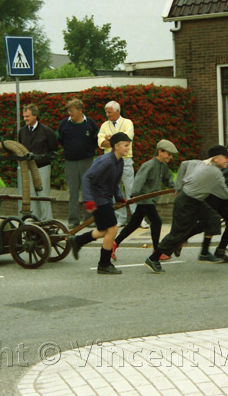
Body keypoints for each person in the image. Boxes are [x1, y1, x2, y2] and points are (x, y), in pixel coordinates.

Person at [143, 145, 228, 274]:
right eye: (225, 157)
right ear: (215, 158)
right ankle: (153, 259)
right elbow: (226, 194)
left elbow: (184, 164)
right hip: (186, 202)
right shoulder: (215, 173)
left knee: (213, 219)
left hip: (195, 200)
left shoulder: (199, 163)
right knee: (176, 234)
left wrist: (179, 187)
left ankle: (204, 253)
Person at [68, 133, 131, 275]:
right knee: (113, 229)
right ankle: (104, 264)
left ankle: (77, 241)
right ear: (116, 146)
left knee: (104, 231)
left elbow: (115, 183)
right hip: (98, 199)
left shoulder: (119, 162)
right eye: (126, 145)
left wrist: (120, 198)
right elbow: (86, 178)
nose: (128, 148)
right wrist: (88, 200)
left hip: (105, 198)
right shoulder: (105, 161)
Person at [112, 139, 178, 262]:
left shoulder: (163, 166)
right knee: (157, 221)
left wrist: (174, 188)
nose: (170, 157)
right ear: (160, 152)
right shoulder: (148, 165)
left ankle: (114, 244)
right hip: (144, 198)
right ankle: (156, 251)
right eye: (168, 154)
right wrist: (135, 195)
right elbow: (139, 180)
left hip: (151, 199)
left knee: (134, 224)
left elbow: (167, 179)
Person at [97, 101, 143, 227]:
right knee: (113, 189)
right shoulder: (104, 125)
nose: (107, 115)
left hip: (126, 159)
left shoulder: (127, 123)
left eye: (109, 112)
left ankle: (137, 218)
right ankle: (120, 218)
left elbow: (127, 138)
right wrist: (115, 141)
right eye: (106, 112)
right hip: (109, 162)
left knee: (131, 188)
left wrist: (110, 140)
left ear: (118, 111)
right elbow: (100, 143)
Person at [57, 98, 99, 229]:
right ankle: (73, 220)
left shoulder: (90, 124)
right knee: (73, 192)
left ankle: (89, 219)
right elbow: (61, 140)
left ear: (80, 111)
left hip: (87, 161)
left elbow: (96, 140)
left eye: (72, 110)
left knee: (88, 190)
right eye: (69, 110)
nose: (70, 113)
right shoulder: (64, 124)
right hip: (70, 162)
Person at [18, 104, 59, 221]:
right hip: (27, 169)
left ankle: (47, 220)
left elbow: (54, 152)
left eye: (28, 116)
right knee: (30, 195)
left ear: (35, 116)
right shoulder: (21, 132)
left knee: (43, 195)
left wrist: (39, 157)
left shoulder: (47, 131)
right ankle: (33, 220)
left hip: (42, 168)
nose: (25, 119)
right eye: (24, 116)